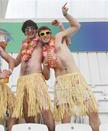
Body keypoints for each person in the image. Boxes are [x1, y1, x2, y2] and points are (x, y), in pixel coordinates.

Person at [38, 3, 100, 131]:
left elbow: (76, 25)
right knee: (65, 117)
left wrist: (65, 15)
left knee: (92, 111)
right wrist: (45, 64)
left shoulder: (60, 38)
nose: (45, 35)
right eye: (42, 34)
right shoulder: (43, 55)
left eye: (47, 32)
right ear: (39, 38)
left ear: (51, 33)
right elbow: (47, 76)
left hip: (75, 78)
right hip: (61, 83)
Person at [8, 20, 55, 131]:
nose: (30, 31)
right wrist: (2, 51)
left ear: (36, 30)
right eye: (27, 29)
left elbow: (51, 42)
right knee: (27, 111)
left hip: (36, 79)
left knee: (45, 109)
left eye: (32, 28)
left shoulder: (40, 42)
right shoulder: (23, 45)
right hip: (23, 81)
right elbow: (15, 62)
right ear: (24, 32)